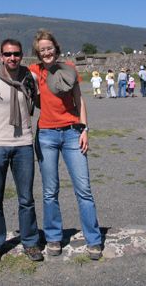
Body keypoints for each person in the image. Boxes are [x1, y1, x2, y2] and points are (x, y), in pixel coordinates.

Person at [29, 29, 102, 260]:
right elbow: (10, 74)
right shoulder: (34, 71)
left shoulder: (69, 68)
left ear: (55, 48)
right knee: (50, 191)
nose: (46, 52)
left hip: (72, 133)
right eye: (42, 50)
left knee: (84, 189)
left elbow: (79, 100)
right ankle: (53, 238)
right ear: (37, 53)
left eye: (49, 48)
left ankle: (94, 239)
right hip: (46, 135)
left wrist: (85, 130)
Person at [0, 39, 43, 264]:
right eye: (8, 54)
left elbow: (46, 102)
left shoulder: (30, 78)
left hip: (23, 145)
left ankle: (31, 242)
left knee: (26, 199)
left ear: (22, 55)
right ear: (1, 56)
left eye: (16, 54)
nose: (12, 58)